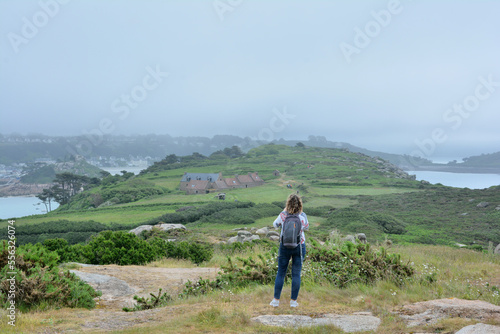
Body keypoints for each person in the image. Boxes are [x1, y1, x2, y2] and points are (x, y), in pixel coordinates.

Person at [270, 193, 309, 308]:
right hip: (299, 246)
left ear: (287, 204)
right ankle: (293, 302)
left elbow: (275, 225)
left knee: (281, 273)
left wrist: (284, 211)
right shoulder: (302, 216)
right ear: (300, 205)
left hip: (284, 246)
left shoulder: (283, 215)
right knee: (296, 274)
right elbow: (306, 227)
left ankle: (276, 300)